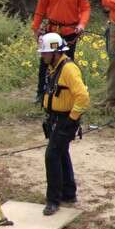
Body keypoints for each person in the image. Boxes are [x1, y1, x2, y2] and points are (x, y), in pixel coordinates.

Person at [39, 33, 90, 216]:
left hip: (65, 119)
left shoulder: (68, 69)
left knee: (51, 155)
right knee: (61, 153)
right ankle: (68, 193)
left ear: (55, 52)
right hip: (56, 118)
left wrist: (72, 119)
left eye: (45, 53)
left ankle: (53, 200)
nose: (42, 56)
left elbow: (83, 97)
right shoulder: (54, 67)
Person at [31, 0, 91, 104]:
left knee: (66, 64)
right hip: (51, 32)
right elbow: (41, 8)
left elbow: (85, 9)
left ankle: (66, 94)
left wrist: (81, 25)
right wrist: (35, 27)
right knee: (45, 63)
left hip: (69, 33)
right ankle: (41, 94)